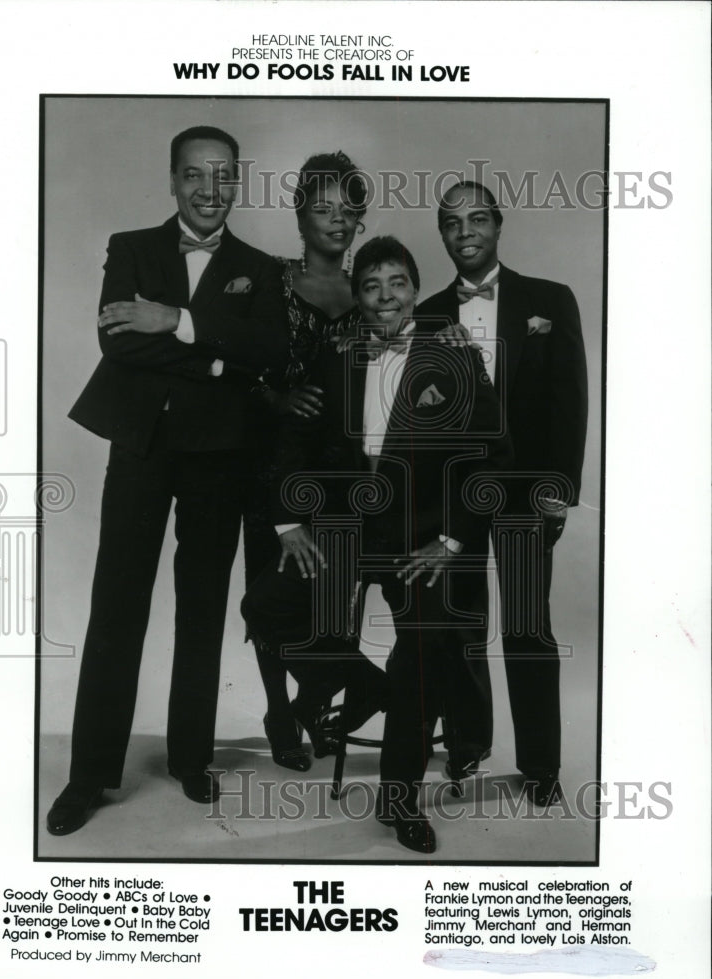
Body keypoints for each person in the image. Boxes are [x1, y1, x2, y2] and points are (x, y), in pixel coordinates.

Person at [46, 125, 289, 836]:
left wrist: (174, 319)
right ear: (173, 180)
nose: (209, 190)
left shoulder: (260, 266)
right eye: (195, 175)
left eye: (222, 176)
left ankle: (190, 757)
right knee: (115, 606)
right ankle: (89, 775)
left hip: (220, 454)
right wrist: (215, 361)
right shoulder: (132, 248)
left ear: (236, 182)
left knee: (203, 606)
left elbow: (268, 351)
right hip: (142, 449)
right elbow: (116, 342)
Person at [242, 237, 512, 854]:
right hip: (344, 524)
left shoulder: (454, 356)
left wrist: (450, 540)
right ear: (357, 296)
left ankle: (400, 800)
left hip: (419, 537)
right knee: (266, 606)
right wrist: (289, 520)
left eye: (397, 283)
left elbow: (491, 460)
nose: (385, 296)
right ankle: (367, 687)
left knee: (423, 653)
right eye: (371, 285)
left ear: (416, 290)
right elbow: (297, 434)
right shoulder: (338, 354)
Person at [417, 180, 588, 808]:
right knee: (462, 622)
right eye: (453, 223)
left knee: (526, 624)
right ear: (442, 234)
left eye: (478, 219)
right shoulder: (428, 312)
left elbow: (572, 400)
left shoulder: (550, 299)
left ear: (498, 224)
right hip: (456, 498)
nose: (466, 232)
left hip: (525, 494)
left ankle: (541, 764)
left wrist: (559, 490)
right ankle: (466, 745)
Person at [246, 151, 369, 772]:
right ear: (300, 214)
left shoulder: (369, 289)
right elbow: (239, 362)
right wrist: (277, 397)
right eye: (323, 207)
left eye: (349, 210)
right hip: (272, 461)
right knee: (270, 593)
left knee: (331, 597)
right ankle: (276, 710)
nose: (337, 220)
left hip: (342, 478)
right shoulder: (271, 278)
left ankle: (312, 703)